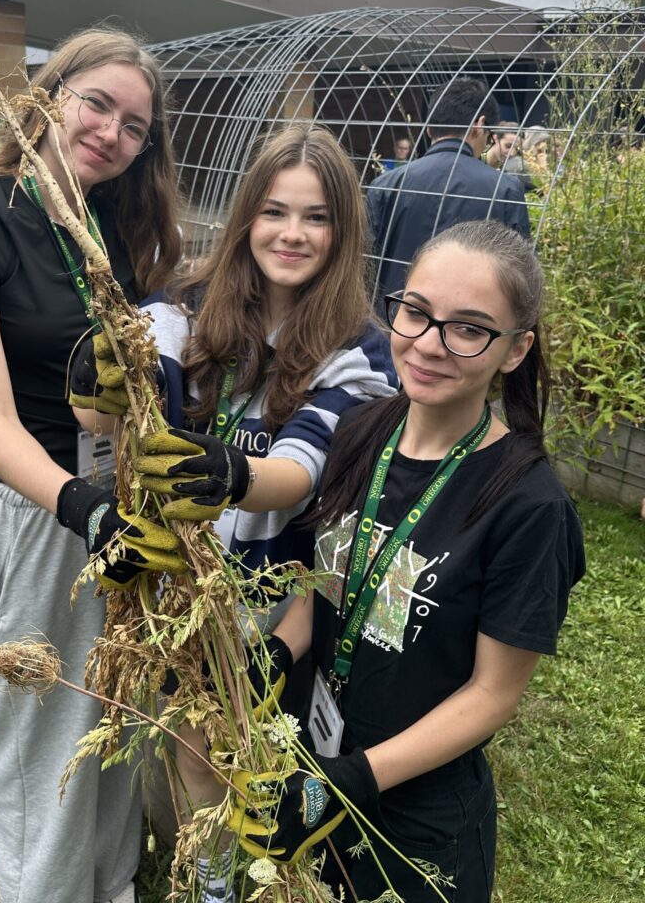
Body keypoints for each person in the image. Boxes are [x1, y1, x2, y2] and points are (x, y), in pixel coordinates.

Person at [74, 125, 398, 902]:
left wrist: (229, 473)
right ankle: (213, 878)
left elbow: (301, 468)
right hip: (184, 588)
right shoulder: (183, 306)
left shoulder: (360, 347)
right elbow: (104, 414)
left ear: (343, 230)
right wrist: (98, 377)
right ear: (247, 214)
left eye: (316, 217)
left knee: (264, 752)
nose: (292, 233)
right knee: (193, 741)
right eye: (275, 211)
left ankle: (271, 871)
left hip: (278, 589)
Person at [226, 221, 585, 902]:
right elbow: (331, 580)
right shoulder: (364, 431)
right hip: (312, 756)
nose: (428, 343)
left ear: (516, 350)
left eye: (469, 328)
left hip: (416, 819)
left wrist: (353, 782)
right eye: (416, 312)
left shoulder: (529, 508)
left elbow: (491, 695)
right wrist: (274, 651)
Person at [0, 27, 183, 903]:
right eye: (96, 102)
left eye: (134, 125)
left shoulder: (105, 224)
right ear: (50, 91)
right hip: (44, 509)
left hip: (115, 495)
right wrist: (82, 506)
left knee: (112, 709)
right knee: (41, 726)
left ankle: (109, 885)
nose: (110, 131)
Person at [365, 79, 530, 305]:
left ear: (430, 126)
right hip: (468, 326)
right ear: (480, 124)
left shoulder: (385, 185)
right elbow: (520, 274)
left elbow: (365, 265)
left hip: (392, 319)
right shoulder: (505, 189)